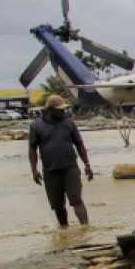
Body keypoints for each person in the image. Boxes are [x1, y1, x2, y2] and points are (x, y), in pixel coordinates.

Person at [28, 95, 93, 226]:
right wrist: (34, 170)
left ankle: (85, 228)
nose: (63, 111)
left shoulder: (69, 124)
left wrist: (87, 165)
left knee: (77, 200)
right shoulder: (36, 126)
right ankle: (64, 232)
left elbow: (79, 145)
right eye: (59, 109)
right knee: (57, 205)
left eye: (63, 109)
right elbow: (32, 149)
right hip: (50, 171)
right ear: (50, 110)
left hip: (70, 168)